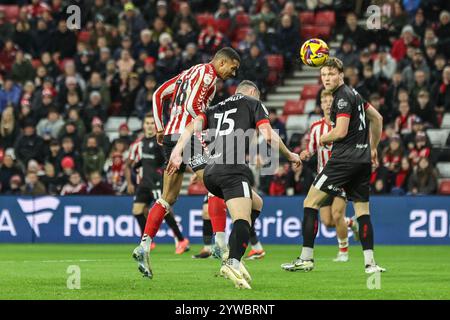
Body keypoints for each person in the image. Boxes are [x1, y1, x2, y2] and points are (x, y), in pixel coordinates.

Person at [167, 80, 301, 289]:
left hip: (210, 173)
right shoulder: (253, 103)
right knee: (242, 218)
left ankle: (233, 252)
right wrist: (289, 154)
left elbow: (190, 128)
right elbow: (267, 135)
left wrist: (177, 152)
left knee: (257, 204)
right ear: (252, 92)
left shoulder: (215, 108)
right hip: (232, 170)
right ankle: (232, 261)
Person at [132, 47, 241, 279]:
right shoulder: (209, 75)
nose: (233, 73)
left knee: (167, 197)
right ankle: (221, 246)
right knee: (216, 185)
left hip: (171, 136)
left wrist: (160, 128)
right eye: (233, 68)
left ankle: (143, 246)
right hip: (188, 136)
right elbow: (193, 106)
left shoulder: (187, 73)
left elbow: (158, 94)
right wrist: (207, 123)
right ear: (222, 62)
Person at [281, 58, 386, 274]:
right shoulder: (355, 94)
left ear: (341, 74)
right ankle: (370, 264)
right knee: (362, 212)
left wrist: (323, 139)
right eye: (323, 75)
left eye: (331, 74)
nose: (327, 78)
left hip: (343, 160)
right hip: (362, 159)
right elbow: (377, 118)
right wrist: (373, 147)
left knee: (310, 203)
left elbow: (340, 132)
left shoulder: (341, 98)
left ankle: (306, 258)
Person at [300, 89, 358, 263]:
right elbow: (311, 148)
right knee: (328, 221)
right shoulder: (316, 127)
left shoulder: (342, 125)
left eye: (329, 100)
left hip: (342, 177)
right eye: (323, 100)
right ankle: (351, 223)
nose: (326, 104)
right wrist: (305, 154)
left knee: (337, 213)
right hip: (322, 177)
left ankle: (343, 252)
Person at [126, 113, 190, 254]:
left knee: (165, 212)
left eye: (151, 123)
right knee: (137, 210)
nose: (149, 126)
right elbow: (130, 164)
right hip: (144, 183)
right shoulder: (138, 144)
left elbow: (168, 160)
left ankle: (181, 240)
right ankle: (147, 240)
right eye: (147, 123)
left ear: (155, 126)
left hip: (157, 181)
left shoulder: (160, 142)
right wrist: (130, 182)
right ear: (143, 125)